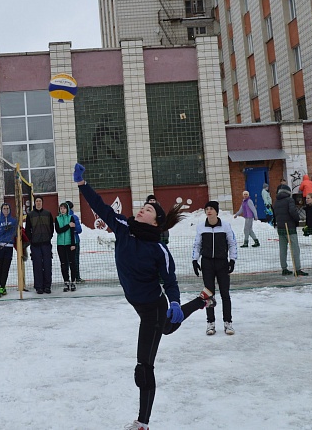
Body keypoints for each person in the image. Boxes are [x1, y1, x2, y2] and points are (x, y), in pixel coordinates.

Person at [73, 163, 214, 430]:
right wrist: (82, 184)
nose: (141, 209)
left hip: (152, 308)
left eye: (148, 210)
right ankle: (202, 301)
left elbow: (170, 281)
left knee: (144, 366)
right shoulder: (124, 227)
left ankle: (142, 423)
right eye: (143, 207)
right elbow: (100, 207)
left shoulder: (159, 250)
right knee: (170, 328)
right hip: (139, 305)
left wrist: (173, 301)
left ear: (156, 221)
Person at [193, 200, 238, 335]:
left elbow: (232, 243)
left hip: (222, 263)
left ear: (216, 211)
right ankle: (210, 323)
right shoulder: (201, 227)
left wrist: (232, 260)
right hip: (207, 263)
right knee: (208, 295)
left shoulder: (225, 226)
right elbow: (197, 245)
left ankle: (228, 323)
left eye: (211, 208)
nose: (209, 211)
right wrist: (195, 260)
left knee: (225, 293)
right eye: (207, 208)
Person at [274, 182, 307, 276]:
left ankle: (284, 268)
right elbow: (293, 211)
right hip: (290, 228)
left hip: (280, 228)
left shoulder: (276, 201)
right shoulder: (289, 200)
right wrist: (297, 219)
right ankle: (297, 268)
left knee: (283, 249)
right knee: (295, 248)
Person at [25, 195, 55, 294]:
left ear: (42, 203)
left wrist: (48, 237)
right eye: (37, 201)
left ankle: (47, 286)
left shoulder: (47, 214)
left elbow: (51, 228)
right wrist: (32, 239)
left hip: (46, 244)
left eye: (40, 201)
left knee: (47, 265)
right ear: (35, 203)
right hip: (35, 245)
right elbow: (27, 230)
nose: (38, 202)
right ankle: (39, 287)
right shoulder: (30, 215)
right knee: (37, 265)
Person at [0, 203, 17, 297]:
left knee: (6, 268)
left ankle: (2, 287)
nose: (6, 210)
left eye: (7, 208)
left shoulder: (13, 221)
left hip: (9, 246)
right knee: (0, 267)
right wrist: (4, 229)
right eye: (4, 208)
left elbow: (14, 233)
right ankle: (2, 287)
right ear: (1, 210)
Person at [55, 202, 79, 291]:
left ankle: (73, 281)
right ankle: (66, 281)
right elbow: (58, 230)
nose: (62, 210)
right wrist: (68, 225)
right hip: (61, 244)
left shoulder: (71, 217)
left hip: (70, 244)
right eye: (61, 208)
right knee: (63, 264)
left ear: (67, 209)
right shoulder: (57, 219)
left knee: (72, 263)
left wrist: (73, 244)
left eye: (64, 208)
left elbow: (73, 232)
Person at [64, 200, 85, 283]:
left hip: (65, 241)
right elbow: (79, 230)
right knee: (75, 259)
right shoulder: (74, 217)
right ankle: (77, 277)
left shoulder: (62, 217)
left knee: (66, 260)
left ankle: (67, 278)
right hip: (75, 240)